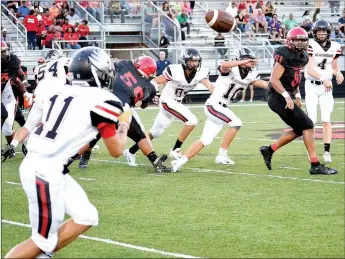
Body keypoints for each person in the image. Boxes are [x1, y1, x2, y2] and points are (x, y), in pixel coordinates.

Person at [2, 46, 132, 259]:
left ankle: (43, 255)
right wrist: (124, 124)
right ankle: (41, 252)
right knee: (41, 241)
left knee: (87, 216)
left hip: (49, 165)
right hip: (43, 171)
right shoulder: (103, 100)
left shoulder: (60, 92)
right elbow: (116, 150)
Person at [171, 48, 268, 172]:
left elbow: (264, 84)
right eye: (246, 59)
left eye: (251, 59)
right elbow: (224, 66)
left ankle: (179, 162)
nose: (250, 61)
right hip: (214, 105)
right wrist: (242, 62)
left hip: (222, 107)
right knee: (236, 123)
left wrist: (279, 86)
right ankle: (222, 154)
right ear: (238, 59)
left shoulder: (250, 74)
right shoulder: (231, 68)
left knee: (205, 140)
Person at [259, 27, 337, 175]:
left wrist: (297, 95)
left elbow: (294, 79)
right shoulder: (284, 54)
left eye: (303, 40)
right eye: (297, 40)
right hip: (277, 97)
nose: (300, 43)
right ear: (290, 40)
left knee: (300, 129)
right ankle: (315, 164)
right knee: (308, 124)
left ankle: (269, 150)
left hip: (284, 96)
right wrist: (287, 96)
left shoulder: (303, 57)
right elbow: (274, 80)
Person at [74, 56, 172, 173]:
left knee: (95, 134)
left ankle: (69, 159)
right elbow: (142, 105)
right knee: (139, 136)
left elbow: (112, 67)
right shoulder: (148, 87)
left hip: (106, 103)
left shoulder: (124, 64)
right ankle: (155, 161)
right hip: (122, 110)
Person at [126, 48, 215, 161]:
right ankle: (176, 149)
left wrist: (217, 95)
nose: (194, 63)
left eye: (196, 61)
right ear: (184, 61)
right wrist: (150, 93)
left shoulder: (201, 73)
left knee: (155, 132)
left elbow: (210, 86)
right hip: (167, 101)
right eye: (191, 61)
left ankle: (130, 151)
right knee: (192, 121)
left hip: (175, 103)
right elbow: (156, 80)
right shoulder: (175, 70)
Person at [304, 20, 344, 163]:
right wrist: (323, 78)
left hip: (326, 87)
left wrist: (338, 74)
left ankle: (327, 151)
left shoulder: (335, 46)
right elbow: (309, 68)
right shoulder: (310, 45)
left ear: (328, 32)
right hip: (312, 85)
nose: (321, 33)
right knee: (311, 121)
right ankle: (311, 151)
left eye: (324, 31)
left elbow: (334, 67)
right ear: (314, 33)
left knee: (326, 119)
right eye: (319, 31)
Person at [1, 42, 33, 148]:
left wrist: (25, 92)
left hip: (7, 98)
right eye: (1, 52)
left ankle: (24, 144)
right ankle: (12, 146)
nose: (5, 54)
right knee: (6, 130)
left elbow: (19, 77)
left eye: (5, 50)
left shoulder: (12, 61)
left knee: (8, 127)